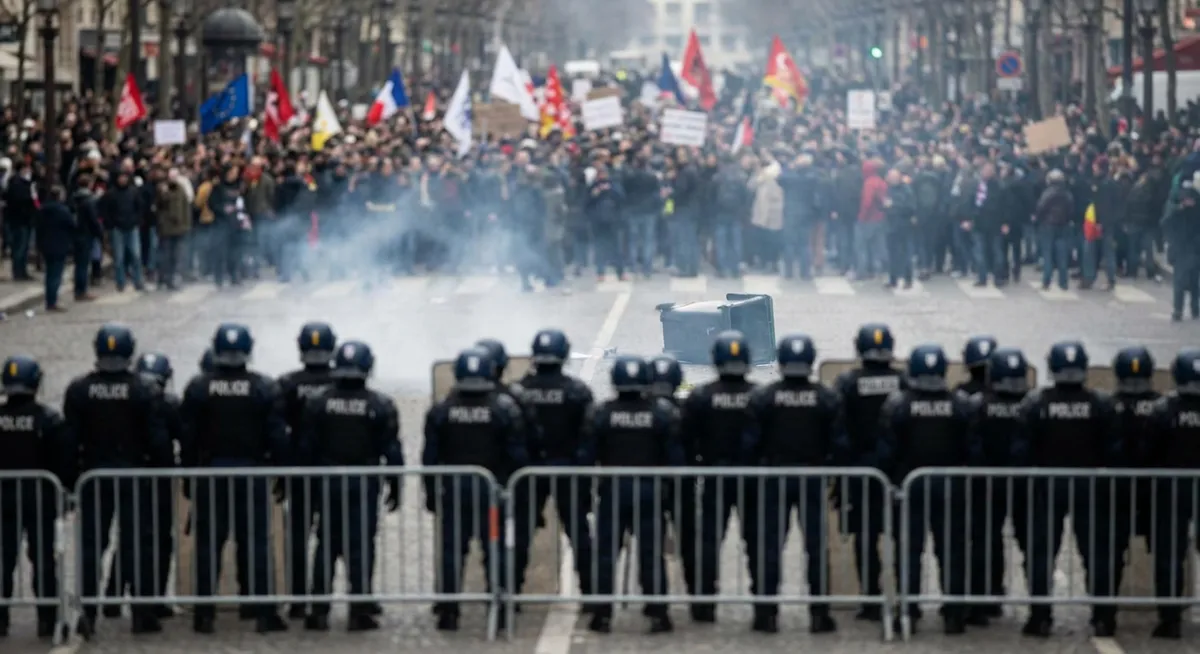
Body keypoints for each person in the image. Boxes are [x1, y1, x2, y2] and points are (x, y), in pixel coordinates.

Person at [179, 323, 288, 634]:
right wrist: (280, 472)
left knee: (208, 545)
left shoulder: (199, 387)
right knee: (254, 543)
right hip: (250, 473)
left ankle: (204, 614)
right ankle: (261, 610)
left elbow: (188, 438)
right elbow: (276, 436)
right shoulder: (263, 387)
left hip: (211, 473)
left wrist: (188, 475)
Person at [63, 324, 170, 636]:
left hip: (94, 478)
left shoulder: (79, 389)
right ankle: (142, 614)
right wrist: (162, 473)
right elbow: (158, 440)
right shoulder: (143, 390)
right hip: (135, 477)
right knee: (139, 546)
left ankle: (87, 612)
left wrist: (70, 480)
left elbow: (69, 440)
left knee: (91, 548)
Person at [1015, 341, 1120, 637]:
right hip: (1091, 488)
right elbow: (1114, 449)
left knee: (1040, 555)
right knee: (1097, 555)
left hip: (1047, 488)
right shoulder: (1100, 403)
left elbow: (1021, 450)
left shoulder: (1035, 403)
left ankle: (1040, 617)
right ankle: (1103, 618)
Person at [298, 341, 403, 632]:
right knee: (360, 546)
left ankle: (318, 611)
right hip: (363, 481)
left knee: (326, 545)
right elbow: (392, 449)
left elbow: (306, 447)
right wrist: (396, 485)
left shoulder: (318, 402)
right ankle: (359, 610)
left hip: (328, 479)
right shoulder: (380, 404)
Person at [422, 347, 528, 632]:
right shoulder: (504, 409)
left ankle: (448, 610)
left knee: (452, 551)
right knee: (494, 549)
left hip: (454, 492)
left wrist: (431, 493)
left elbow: (430, 457)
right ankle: (500, 606)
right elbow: (517, 455)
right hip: (492, 494)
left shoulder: (442, 410)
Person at [578, 355, 683, 634]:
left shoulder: (602, 413)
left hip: (613, 490)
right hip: (649, 491)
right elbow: (674, 458)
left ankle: (602, 615)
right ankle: (659, 613)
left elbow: (587, 455)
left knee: (606, 555)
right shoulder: (661, 413)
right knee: (651, 554)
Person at [745, 335, 841, 634]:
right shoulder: (825, 397)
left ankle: (766, 613)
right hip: (812, 478)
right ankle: (819, 613)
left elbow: (751, 442)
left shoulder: (764, 397)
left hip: (774, 478)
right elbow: (837, 442)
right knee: (816, 547)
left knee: (770, 547)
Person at [880, 344, 973, 634]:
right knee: (951, 551)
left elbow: (887, 451)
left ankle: (908, 609)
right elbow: (971, 450)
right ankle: (954, 614)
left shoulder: (898, 405)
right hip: (950, 488)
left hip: (909, 490)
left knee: (909, 552)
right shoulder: (960, 404)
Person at [679, 330, 758, 624]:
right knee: (758, 544)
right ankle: (765, 609)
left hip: (714, 477)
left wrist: (696, 463)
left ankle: (703, 605)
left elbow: (686, 437)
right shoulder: (758, 396)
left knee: (709, 542)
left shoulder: (701, 396)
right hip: (752, 480)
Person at [513, 329, 596, 605]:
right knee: (579, 532)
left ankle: (509, 593)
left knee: (521, 534)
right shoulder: (577, 392)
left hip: (529, 472)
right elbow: (588, 439)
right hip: (568, 470)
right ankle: (592, 594)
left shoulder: (519, 391)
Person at [833, 323, 904, 621]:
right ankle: (906, 599)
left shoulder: (847, 383)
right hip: (899, 473)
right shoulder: (905, 380)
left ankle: (872, 600)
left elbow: (838, 430)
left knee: (865, 537)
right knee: (903, 538)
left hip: (860, 473)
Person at [0, 355, 72, 639]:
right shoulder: (48, 419)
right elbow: (63, 460)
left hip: (3, 497)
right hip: (39, 498)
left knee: (3, 559)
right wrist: (65, 491)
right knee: (43, 559)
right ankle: (47, 618)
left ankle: (1, 618)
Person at [276, 322, 338, 620]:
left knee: (298, 536)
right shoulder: (339, 384)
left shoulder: (288, 383)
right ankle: (322, 597)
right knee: (329, 536)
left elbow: (278, 429)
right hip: (330, 469)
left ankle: (299, 599)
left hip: (299, 468)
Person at [1145, 349, 1200, 639]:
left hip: (1171, 492)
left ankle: (1170, 619)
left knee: (1169, 557)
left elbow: (1148, 452)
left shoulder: (1164, 410)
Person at [1108, 345, 1160, 625]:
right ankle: (1171, 617)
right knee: (1167, 554)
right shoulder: (1161, 405)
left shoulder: (1109, 405)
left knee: (1109, 555)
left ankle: (1104, 614)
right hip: (1159, 493)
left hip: (1117, 492)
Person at [35, 185, 76, 312]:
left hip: (46, 245)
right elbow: (72, 225)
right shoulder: (63, 210)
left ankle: (49, 300)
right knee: (56, 275)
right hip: (60, 244)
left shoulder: (42, 209)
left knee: (49, 274)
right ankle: (52, 302)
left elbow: (38, 227)